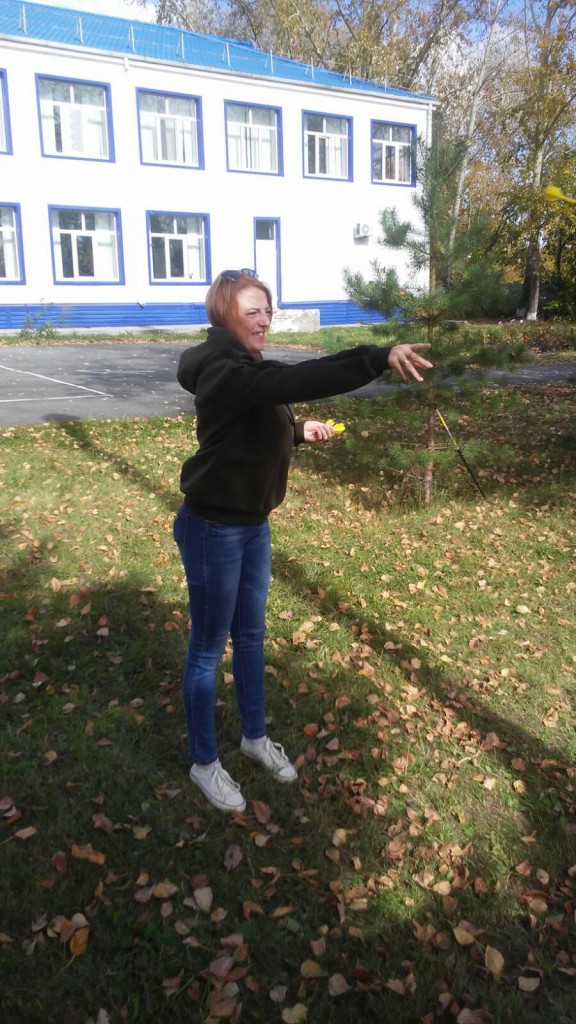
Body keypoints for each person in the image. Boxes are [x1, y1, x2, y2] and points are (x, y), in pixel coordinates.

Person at [174, 269, 432, 813]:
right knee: (208, 649)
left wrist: (296, 431)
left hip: (252, 524)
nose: (264, 320)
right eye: (252, 312)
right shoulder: (222, 368)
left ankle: (254, 737)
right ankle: (204, 763)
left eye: (268, 310)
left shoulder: (243, 366)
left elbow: (251, 419)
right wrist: (376, 356)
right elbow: (290, 382)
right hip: (214, 528)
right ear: (225, 314)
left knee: (250, 637)